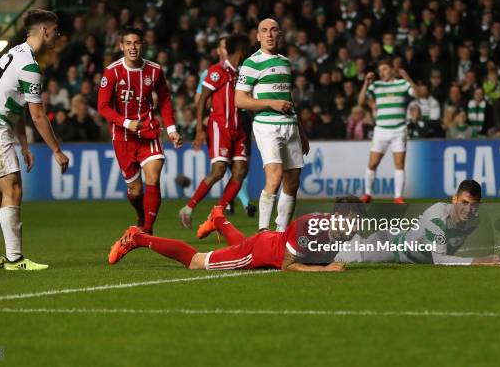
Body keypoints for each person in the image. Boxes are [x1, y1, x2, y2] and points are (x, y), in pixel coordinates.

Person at [0, 9, 69, 271]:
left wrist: (24, 145)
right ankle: (15, 258)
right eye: (55, 30)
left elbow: (17, 106)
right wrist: (56, 150)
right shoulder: (31, 67)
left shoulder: (13, 54)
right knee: (13, 190)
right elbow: (37, 114)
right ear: (44, 30)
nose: (57, 35)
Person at [109, 197, 367, 271]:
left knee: (242, 245)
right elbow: (289, 265)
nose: (355, 229)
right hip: (260, 253)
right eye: (354, 222)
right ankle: (138, 237)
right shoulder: (309, 228)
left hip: (267, 244)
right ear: (340, 217)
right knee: (196, 262)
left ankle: (219, 219)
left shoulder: (339, 233)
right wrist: (324, 270)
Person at [98, 26, 182, 234]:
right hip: (123, 137)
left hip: (148, 132)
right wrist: (126, 122)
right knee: (135, 192)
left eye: (136, 42)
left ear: (142, 45)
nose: (132, 47)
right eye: (128, 43)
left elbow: (164, 99)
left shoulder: (154, 70)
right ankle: (141, 214)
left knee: (153, 177)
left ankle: (147, 230)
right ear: (121, 46)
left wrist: (171, 129)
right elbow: (103, 107)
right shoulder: (112, 71)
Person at [234, 18, 310, 232]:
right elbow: (239, 100)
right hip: (266, 125)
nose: (268, 34)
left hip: (290, 125)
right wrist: (270, 103)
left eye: (273, 30)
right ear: (258, 36)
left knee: (293, 181)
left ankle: (281, 232)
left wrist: (301, 133)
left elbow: (289, 100)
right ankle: (263, 231)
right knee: (275, 176)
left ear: (280, 35)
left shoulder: (285, 62)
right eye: (264, 31)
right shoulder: (251, 63)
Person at [335, 180, 500, 266]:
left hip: (401, 245)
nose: (468, 210)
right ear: (455, 199)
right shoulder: (438, 218)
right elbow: (440, 260)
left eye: (474, 205)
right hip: (388, 247)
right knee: (335, 257)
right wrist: (480, 261)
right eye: (464, 203)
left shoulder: (473, 221)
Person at [179, 34, 251, 227]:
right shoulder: (217, 71)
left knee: (240, 172)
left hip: (239, 129)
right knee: (219, 170)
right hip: (220, 128)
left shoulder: (241, 74)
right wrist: (200, 130)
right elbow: (202, 99)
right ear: (241, 50)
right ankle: (188, 208)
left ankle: (217, 214)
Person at [358, 59, 417, 204]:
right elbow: (360, 102)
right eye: (380, 70)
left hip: (399, 130)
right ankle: (367, 194)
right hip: (381, 131)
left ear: (392, 69)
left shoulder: (402, 84)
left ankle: (398, 196)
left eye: (384, 69)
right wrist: (366, 83)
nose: (381, 72)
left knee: (399, 164)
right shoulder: (376, 85)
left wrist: (408, 78)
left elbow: (417, 93)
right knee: (372, 164)